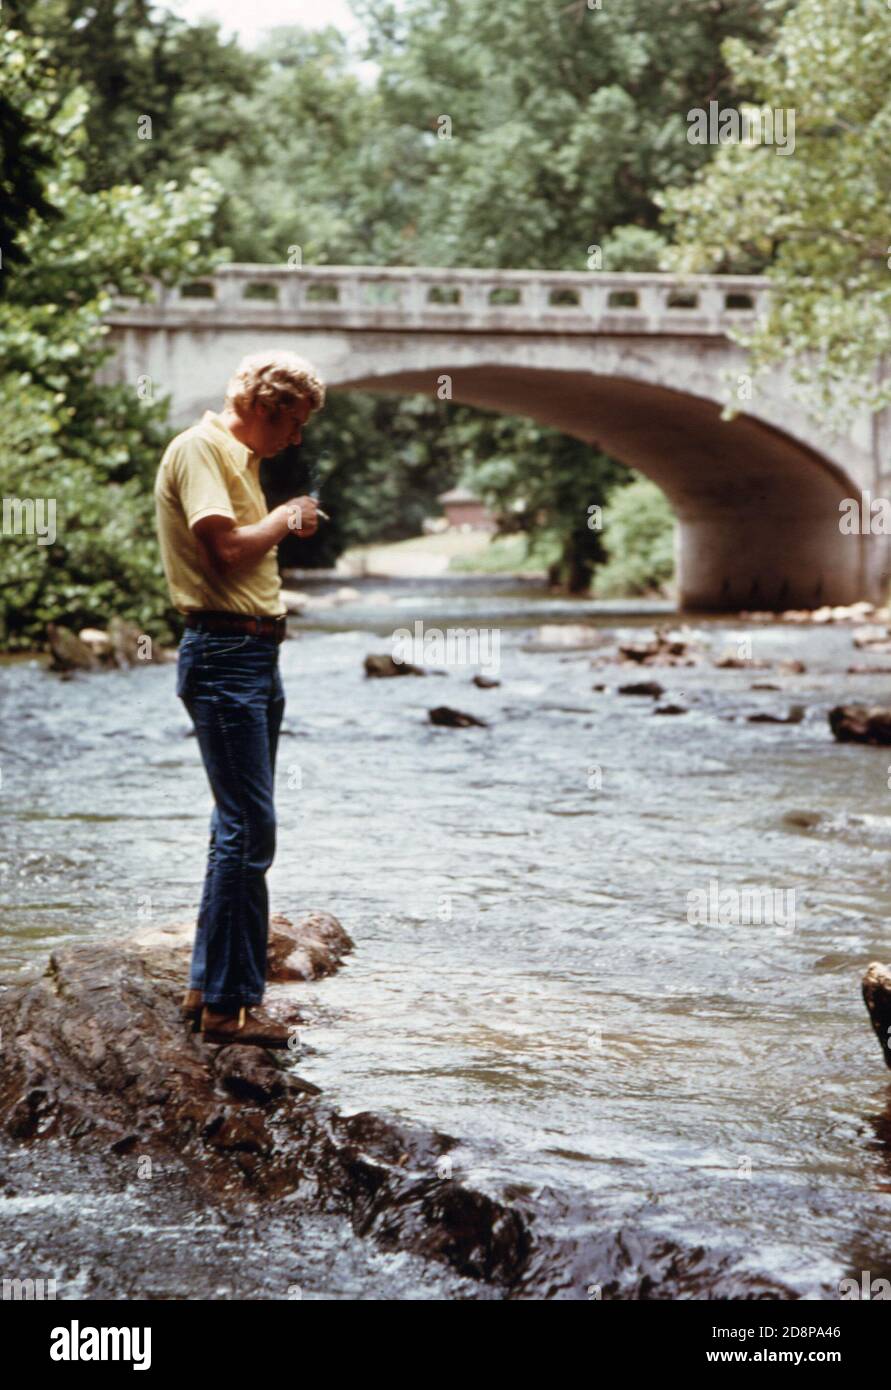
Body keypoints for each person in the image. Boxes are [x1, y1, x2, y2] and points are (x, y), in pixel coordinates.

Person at [154, 351, 325, 1047]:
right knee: (249, 830)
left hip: (251, 652)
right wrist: (286, 519)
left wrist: (280, 518)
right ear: (263, 405)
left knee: (236, 827)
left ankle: (211, 988)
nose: (298, 438)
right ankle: (228, 1008)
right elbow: (224, 550)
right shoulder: (201, 450)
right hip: (226, 654)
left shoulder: (237, 458)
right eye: (294, 422)